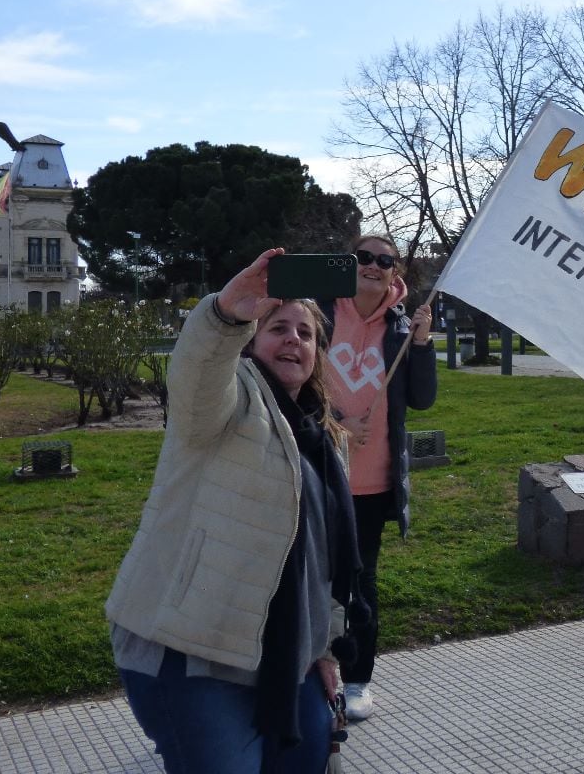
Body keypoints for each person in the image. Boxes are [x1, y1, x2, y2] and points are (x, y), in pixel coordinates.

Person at [106, 248, 369, 773]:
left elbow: (327, 561)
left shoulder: (323, 439)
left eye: (305, 333)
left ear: (318, 352)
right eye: (277, 327)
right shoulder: (226, 403)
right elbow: (198, 375)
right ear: (251, 341)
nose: (292, 338)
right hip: (193, 653)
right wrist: (226, 314)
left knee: (309, 758)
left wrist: (324, 650)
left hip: (287, 656)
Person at [318, 234, 437, 721]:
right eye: (362, 257)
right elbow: (288, 383)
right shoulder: (319, 312)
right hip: (318, 472)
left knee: (361, 585)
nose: (371, 265)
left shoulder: (403, 326)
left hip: (370, 484)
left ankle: (358, 679)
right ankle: (307, 673)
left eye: (383, 260)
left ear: (395, 271)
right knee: (311, 580)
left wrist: (424, 345)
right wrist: (339, 423)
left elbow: (422, 399)